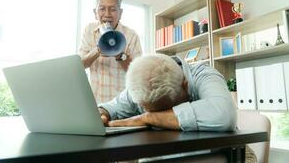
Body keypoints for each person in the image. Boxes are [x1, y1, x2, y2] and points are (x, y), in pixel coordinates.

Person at [98, 53, 237, 131]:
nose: (162, 115)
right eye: (151, 111)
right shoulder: (142, 84)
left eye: (168, 110)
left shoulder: (204, 74)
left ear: (184, 85)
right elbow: (110, 108)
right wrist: (102, 113)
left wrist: (148, 118)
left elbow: (224, 115)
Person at [79, 0, 142, 104]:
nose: (107, 14)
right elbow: (81, 64)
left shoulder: (131, 36)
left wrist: (119, 53)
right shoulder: (89, 30)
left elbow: (137, 74)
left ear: (120, 13)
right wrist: (98, 49)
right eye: (102, 9)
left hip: (121, 105)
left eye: (112, 9)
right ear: (95, 12)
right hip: (94, 103)